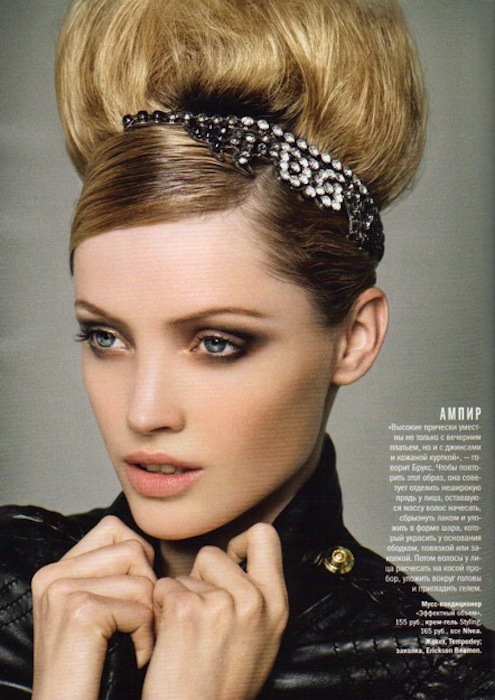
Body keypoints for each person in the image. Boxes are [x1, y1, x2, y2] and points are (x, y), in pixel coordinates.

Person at [0, 0, 493, 698]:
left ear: (354, 339)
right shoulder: (13, 594)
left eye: (217, 343)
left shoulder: (447, 678)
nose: (144, 412)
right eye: (105, 336)